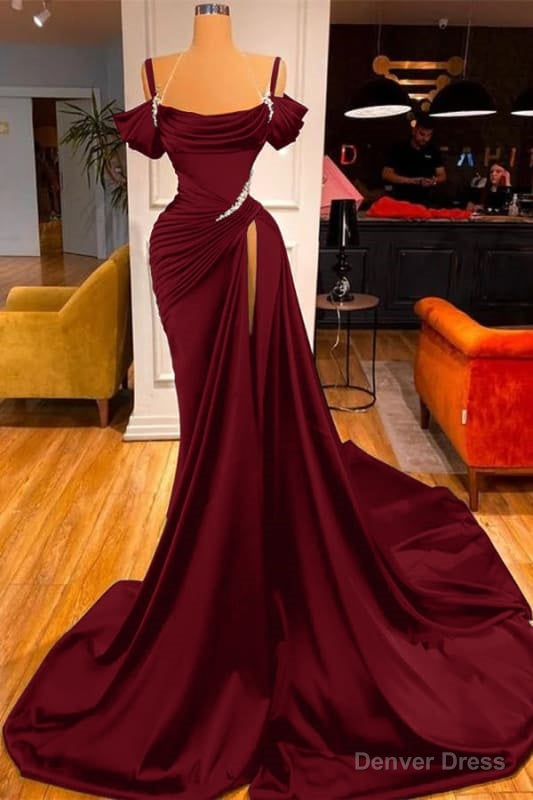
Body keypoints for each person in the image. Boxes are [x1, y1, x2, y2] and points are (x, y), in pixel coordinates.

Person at [3, 6, 532, 800]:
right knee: (205, 417)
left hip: (248, 250)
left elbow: (261, 146)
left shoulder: (271, 76)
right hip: (181, 254)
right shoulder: (155, 77)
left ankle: (249, 533)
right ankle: (212, 536)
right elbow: (163, 152)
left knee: (255, 405)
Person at [382, 111, 447, 205]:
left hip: (426, 201)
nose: (425, 139)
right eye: (422, 134)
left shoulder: (433, 150)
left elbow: (442, 175)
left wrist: (433, 181)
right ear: (414, 131)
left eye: (429, 135)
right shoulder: (399, 149)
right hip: (400, 200)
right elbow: (386, 174)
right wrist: (411, 181)